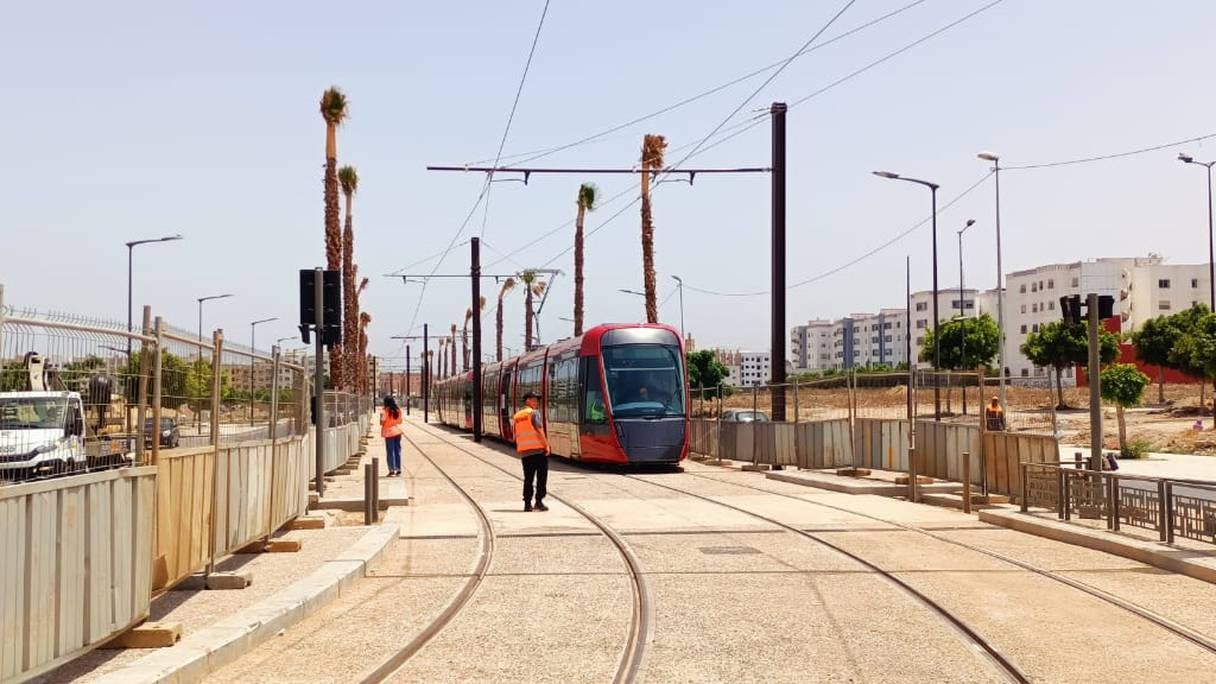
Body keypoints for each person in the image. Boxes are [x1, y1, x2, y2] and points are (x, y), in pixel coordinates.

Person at [513, 391, 549, 512]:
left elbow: (515, 435)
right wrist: (546, 445)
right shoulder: (533, 413)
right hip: (538, 451)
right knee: (541, 477)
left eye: (537, 400)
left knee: (528, 478)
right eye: (534, 399)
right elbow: (539, 430)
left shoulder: (517, 416)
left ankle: (527, 504)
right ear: (527, 400)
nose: (536, 402)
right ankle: (538, 501)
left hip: (525, 453)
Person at [380, 395, 404, 476]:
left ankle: (391, 470)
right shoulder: (398, 410)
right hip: (397, 432)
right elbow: (400, 421)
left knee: (390, 452)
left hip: (389, 433)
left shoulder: (384, 411)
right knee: (397, 451)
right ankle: (398, 468)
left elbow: (382, 422)